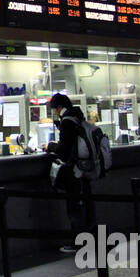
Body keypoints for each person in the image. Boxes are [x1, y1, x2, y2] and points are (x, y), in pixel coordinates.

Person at [45, 92, 87, 252]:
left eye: (55, 109)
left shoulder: (67, 121)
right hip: (83, 167)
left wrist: (51, 146)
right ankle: (87, 238)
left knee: (73, 206)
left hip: (72, 169)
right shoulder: (78, 117)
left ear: (59, 107)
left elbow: (63, 149)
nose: (55, 113)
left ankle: (78, 242)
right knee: (82, 203)